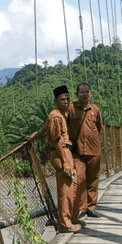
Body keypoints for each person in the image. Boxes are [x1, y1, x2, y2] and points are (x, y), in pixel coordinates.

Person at [46, 85, 81, 232]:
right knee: (65, 190)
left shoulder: (61, 114)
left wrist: (32, 136)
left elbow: (44, 129)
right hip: (61, 154)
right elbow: (57, 140)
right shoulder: (55, 116)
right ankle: (66, 224)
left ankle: (70, 219)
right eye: (62, 100)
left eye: (67, 99)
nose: (66, 102)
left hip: (66, 153)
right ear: (56, 100)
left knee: (72, 186)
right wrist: (66, 161)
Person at [71, 83, 103, 219]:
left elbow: (99, 127)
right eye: (81, 92)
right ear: (77, 94)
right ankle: (81, 207)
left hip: (94, 150)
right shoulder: (71, 108)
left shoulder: (95, 110)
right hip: (77, 151)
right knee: (79, 178)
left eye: (87, 92)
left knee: (93, 179)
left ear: (91, 94)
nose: (84, 94)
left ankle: (91, 207)